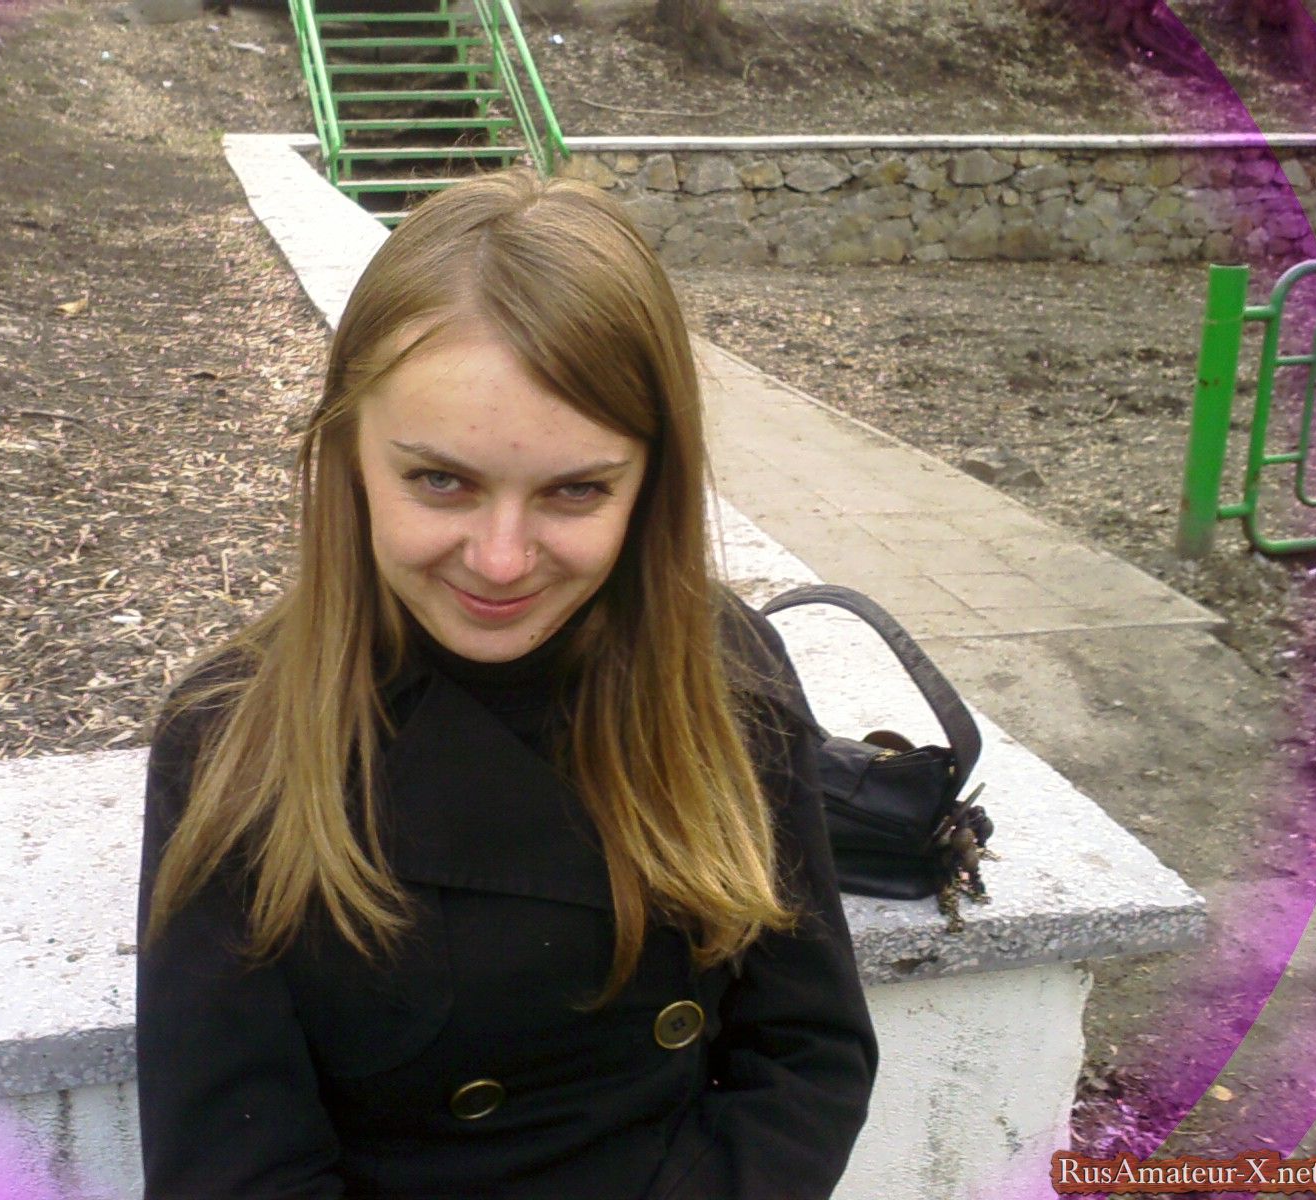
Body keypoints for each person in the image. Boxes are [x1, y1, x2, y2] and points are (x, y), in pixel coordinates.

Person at [135, 166, 877, 1200]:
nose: (499, 560)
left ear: (650, 483)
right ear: (348, 454)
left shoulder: (723, 670)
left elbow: (807, 1053)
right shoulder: (236, 737)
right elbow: (234, 1168)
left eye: (576, 490)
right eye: (440, 480)